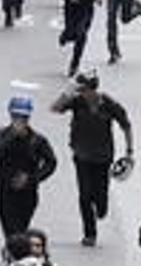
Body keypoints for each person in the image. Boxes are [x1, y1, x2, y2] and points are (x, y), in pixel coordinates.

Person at [51, 71, 134, 246]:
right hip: (81, 155)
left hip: (103, 157)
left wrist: (129, 151)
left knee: (100, 195)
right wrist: (67, 92)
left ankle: (102, 208)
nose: (82, 94)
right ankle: (90, 233)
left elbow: (126, 125)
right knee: (84, 195)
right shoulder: (76, 102)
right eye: (80, 91)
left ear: (93, 89)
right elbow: (55, 108)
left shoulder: (109, 104)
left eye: (84, 90)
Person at [0, 96, 58, 238]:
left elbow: (51, 163)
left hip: (28, 193)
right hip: (6, 191)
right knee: (10, 230)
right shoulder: (1, 134)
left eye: (23, 117)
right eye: (16, 117)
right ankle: (13, 249)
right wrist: (11, 137)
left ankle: (16, 250)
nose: (20, 121)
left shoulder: (38, 140)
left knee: (20, 229)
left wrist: (32, 178)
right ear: (11, 116)